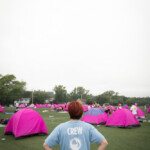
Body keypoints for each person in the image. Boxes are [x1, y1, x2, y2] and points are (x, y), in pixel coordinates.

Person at [43, 101, 108, 150]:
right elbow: (104, 143)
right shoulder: (88, 127)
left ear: (69, 112)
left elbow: (46, 145)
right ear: (82, 112)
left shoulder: (60, 128)